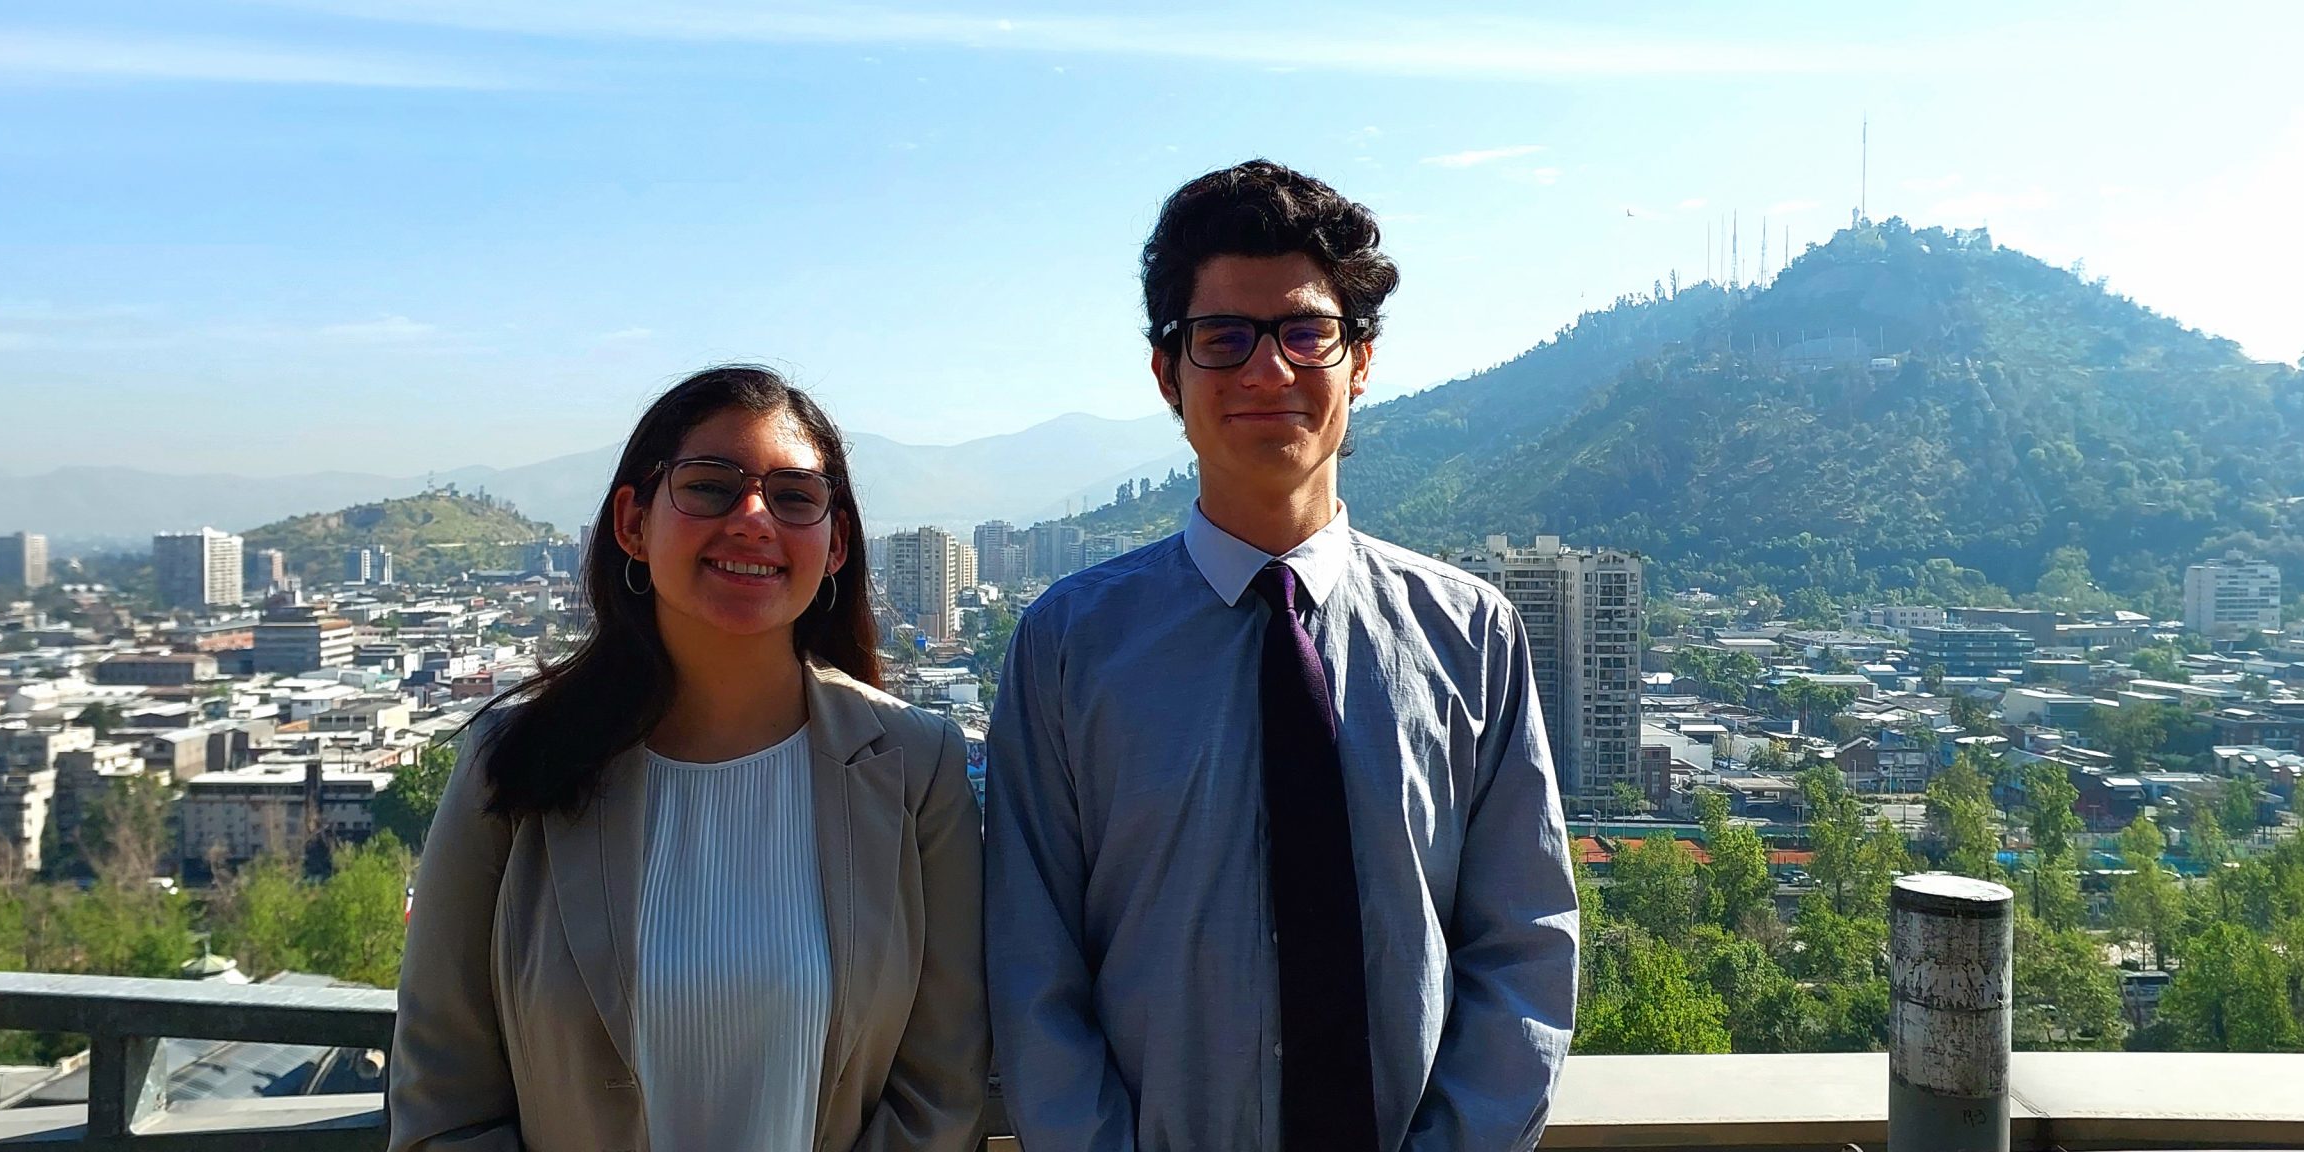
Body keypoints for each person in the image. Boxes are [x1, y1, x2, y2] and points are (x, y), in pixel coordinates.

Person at [984, 162, 1580, 1152]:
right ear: (1167, 374)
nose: (1268, 372)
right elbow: (1028, 961)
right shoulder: (1067, 646)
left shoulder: (1471, 637)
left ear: (1359, 362)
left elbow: (1523, 945)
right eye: (1222, 339)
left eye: (1306, 333)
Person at [392, 365, 987, 1152]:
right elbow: (443, 1098)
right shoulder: (513, 762)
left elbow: (941, 1094)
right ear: (634, 523)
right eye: (710, 487)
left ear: (836, 543)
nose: (751, 519)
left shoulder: (917, 768)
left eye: (794, 497)